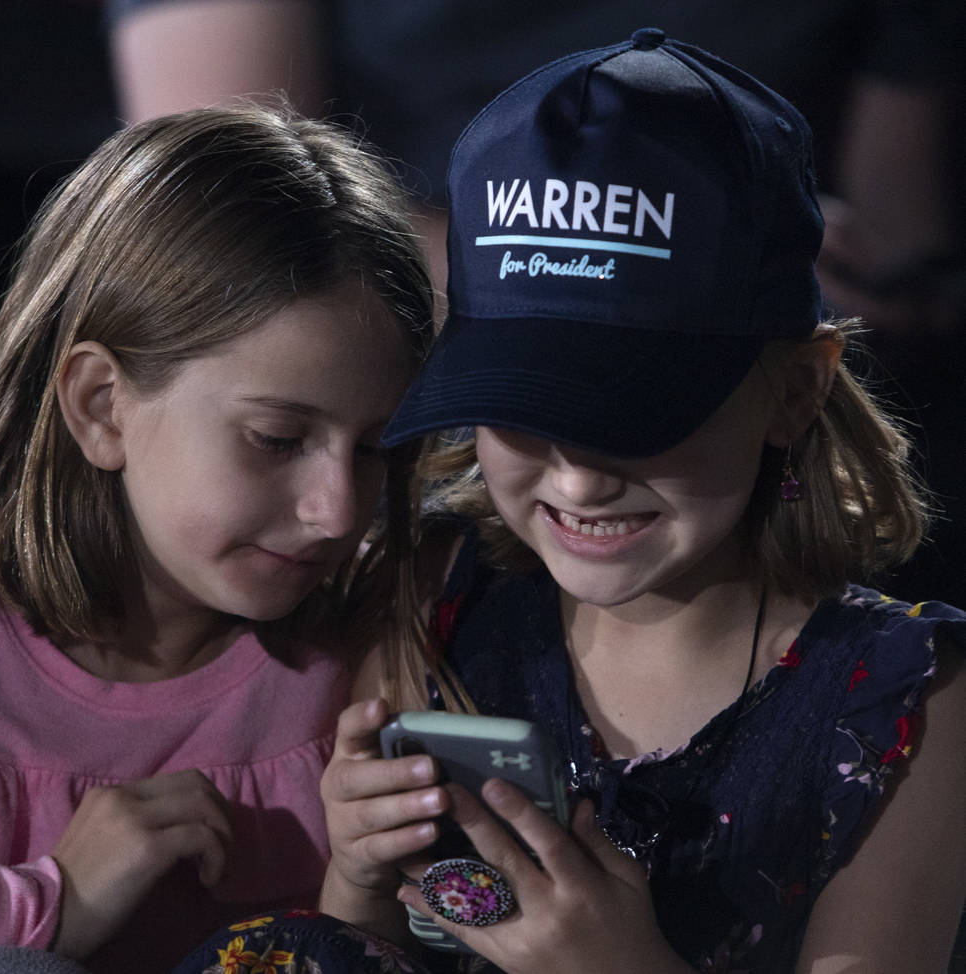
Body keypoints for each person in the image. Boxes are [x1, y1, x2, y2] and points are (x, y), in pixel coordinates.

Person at [302, 30, 966, 974]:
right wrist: (359, 887)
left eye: (643, 418)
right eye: (521, 412)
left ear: (795, 390)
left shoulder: (910, 700)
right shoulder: (437, 605)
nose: (577, 480)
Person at [0, 102, 433, 974]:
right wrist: (53, 902)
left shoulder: (365, 656)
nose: (338, 511)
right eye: (277, 439)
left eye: (376, 450)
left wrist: (357, 890)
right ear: (100, 406)